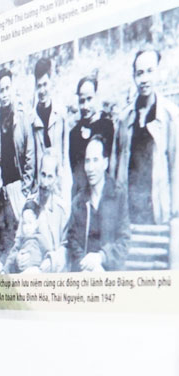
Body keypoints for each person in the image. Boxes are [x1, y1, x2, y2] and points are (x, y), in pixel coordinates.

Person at [114, 48, 179, 228]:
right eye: (140, 73)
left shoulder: (171, 116)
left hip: (159, 212)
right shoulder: (124, 118)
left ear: (158, 72)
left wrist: (175, 214)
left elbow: (176, 168)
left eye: (150, 71)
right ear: (133, 76)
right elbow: (116, 168)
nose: (144, 79)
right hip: (128, 212)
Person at [66, 132, 129, 272]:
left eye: (95, 160)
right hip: (84, 271)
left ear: (105, 163)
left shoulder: (118, 196)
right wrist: (85, 263)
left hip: (110, 272)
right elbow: (72, 239)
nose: (90, 168)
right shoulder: (79, 200)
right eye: (87, 161)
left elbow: (123, 242)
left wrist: (101, 257)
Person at [0, 67, 37, 208]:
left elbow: (30, 155)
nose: (4, 94)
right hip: (4, 190)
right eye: (1, 90)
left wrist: (25, 189)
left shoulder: (21, 118)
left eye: (7, 89)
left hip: (20, 186)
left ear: (12, 89)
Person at [69, 75, 115, 197]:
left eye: (89, 99)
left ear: (96, 97)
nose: (85, 106)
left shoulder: (107, 127)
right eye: (82, 101)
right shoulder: (73, 134)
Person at [30, 56, 67, 191]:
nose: (42, 91)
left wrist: (64, 184)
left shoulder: (60, 114)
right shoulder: (32, 119)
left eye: (45, 84)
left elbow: (65, 154)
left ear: (51, 83)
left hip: (58, 183)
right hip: (40, 184)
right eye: (39, 86)